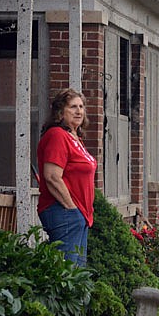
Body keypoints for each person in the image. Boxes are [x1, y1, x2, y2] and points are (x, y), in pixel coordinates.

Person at [37, 88, 97, 266]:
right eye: (72, 107)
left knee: (78, 276)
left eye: (81, 106)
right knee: (66, 273)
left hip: (79, 215)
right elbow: (52, 177)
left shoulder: (75, 137)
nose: (79, 111)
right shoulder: (57, 135)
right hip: (63, 210)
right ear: (60, 112)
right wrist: (72, 209)